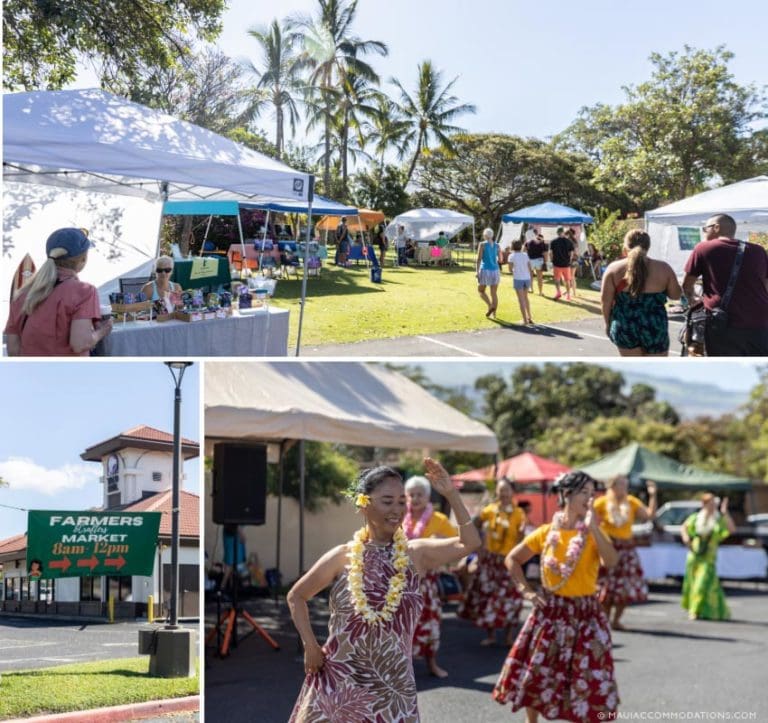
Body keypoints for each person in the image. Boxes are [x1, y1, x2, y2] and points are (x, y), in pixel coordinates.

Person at [287, 460, 480, 723]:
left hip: (393, 689)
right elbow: (296, 596)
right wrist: (311, 646)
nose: (397, 510)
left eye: (402, 502)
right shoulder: (342, 556)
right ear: (363, 504)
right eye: (387, 501)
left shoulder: (415, 554)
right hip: (339, 684)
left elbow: (470, 542)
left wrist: (451, 494)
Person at [493, 471, 619, 723]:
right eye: (583, 492)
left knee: (589, 676)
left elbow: (612, 562)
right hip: (551, 611)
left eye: (591, 493)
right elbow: (513, 559)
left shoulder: (593, 533)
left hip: (585, 614)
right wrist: (526, 590)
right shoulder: (546, 532)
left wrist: (593, 525)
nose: (589, 498)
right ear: (566, 494)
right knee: (538, 671)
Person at [5, 227, 113, 356]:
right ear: (83, 259)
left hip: (29, 373)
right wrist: (103, 331)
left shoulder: (22, 294)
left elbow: (12, 349)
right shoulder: (84, 291)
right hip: (67, 373)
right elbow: (80, 344)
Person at [682, 213, 768, 355]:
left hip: (724, 324)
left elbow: (687, 285)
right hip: (759, 323)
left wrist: (692, 300)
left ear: (716, 227)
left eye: (705, 229)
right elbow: (765, 286)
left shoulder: (703, 248)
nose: (704, 233)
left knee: (725, 369)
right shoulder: (758, 250)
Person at [459, 479, 525, 646]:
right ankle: (491, 635)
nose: (504, 494)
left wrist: (519, 555)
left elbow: (522, 537)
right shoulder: (490, 510)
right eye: (501, 490)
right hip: (491, 561)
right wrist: (479, 547)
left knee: (513, 598)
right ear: (497, 492)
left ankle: (509, 636)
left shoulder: (518, 514)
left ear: (512, 492)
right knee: (489, 597)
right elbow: (475, 523)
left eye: (507, 490)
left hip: (508, 561)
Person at [404, 474, 458, 678]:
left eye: (420, 494)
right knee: (403, 624)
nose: (415, 498)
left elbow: (457, 544)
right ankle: (402, 666)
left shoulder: (440, 520)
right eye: (411, 494)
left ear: (428, 497)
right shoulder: (399, 517)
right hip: (402, 582)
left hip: (428, 583)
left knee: (431, 622)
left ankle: (432, 663)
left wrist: (441, 540)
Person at [601, 229, 682, 356]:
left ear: (625, 246)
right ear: (648, 246)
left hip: (625, 325)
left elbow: (606, 303)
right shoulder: (664, 268)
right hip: (655, 326)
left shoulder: (613, 269)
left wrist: (607, 325)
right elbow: (676, 295)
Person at [593, 476, 658, 630]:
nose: (625, 487)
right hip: (609, 546)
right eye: (622, 484)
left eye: (626, 484)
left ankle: (616, 620)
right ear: (612, 486)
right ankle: (604, 620)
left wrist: (653, 495)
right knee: (606, 586)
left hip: (627, 549)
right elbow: (586, 516)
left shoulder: (631, 501)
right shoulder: (602, 502)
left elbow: (649, 515)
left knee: (625, 587)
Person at [680, 493, 735, 621]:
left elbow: (731, 530)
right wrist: (686, 538)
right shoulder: (696, 518)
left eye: (714, 504)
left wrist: (725, 512)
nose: (712, 506)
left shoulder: (718, 520)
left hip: (709, 558)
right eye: (710, 503)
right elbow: (684, 527)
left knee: (702, 584)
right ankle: (700, 610)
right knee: (693, 584)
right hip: (694, 555)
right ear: (704, 504)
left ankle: (695, 611)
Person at [476, 227, 502, 319]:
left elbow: (479, 259)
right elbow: (501, 259)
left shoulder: (482, 244)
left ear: (485, 235)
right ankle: (494, 314)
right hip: (495, 270)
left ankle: (490, 305)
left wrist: (477, 271)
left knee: (481, 290)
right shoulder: (497, 245)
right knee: (494, 293)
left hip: (485, 269)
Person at [508, 239, 534, 325]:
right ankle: (529, 317)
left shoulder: (511, 256)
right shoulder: (525, 255)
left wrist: (515, 270)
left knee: (521, 299)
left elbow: (510, 269)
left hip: (518, 278)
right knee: (526, 298)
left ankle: (525, 320)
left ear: (512, 246)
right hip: (527, 278)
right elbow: (530, 268)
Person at [549, 227, 575, 301]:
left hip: (556, 264)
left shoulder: (553, 241)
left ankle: (558, 292)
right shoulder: (569, 241)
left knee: (557, 279)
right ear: (563, 232)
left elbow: (550, 253)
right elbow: (572, 253)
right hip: (566, 264)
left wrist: (552, 260)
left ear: (557, 233)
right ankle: (568, 295)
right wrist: (569, 260)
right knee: (567, 280)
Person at [565, 229, 580, 297]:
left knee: (567, 277)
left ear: (567, 235)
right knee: (572, 277)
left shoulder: (568, 242)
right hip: (575, 260)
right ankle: (574, 292)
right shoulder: (575, 242)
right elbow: (577, 252)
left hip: (569, 260)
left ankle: (569, 291)